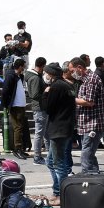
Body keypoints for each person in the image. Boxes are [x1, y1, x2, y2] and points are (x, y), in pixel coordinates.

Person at [40, 63, 75, 198]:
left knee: (59, 164)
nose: (45, 76)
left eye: (46, 73)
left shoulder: (55, 87)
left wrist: (44, 94)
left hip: (58, 129)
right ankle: (57, 190)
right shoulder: (68, 85)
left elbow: (48, 108)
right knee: (50, 162)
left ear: (51, 74)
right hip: (65, 128)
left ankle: (63, 194)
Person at [74, 59, 104, 173]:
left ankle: (87, 175)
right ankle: (95, 176)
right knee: (90, 153)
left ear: (79, 67)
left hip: (93, 123)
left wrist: (71, 99)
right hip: (86, 123)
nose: (73, 73)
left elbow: (90, 101)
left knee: (86, 152)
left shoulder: (91, 80)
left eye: (73, 70)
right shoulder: (85, 80)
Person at [0, 58, 28, 160]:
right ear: (20, 66)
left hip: (21, 105)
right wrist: (6, 104)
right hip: (15, 105)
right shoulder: (11, 76)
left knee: (20, 127)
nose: (24, 68)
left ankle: (20, 148)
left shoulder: (19, 76)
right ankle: (17, 149)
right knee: (18, 128)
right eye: (23, 66)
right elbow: (5, 91)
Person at [26, 56, 46, 166]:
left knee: (43, 133)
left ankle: (41, 156)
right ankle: (37, 157)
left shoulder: (35, 77)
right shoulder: (35, 78)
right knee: (39, 133)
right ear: (42, 66)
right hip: (39, 108)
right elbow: (34, 95)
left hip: (40, 108)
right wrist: (46, 91)